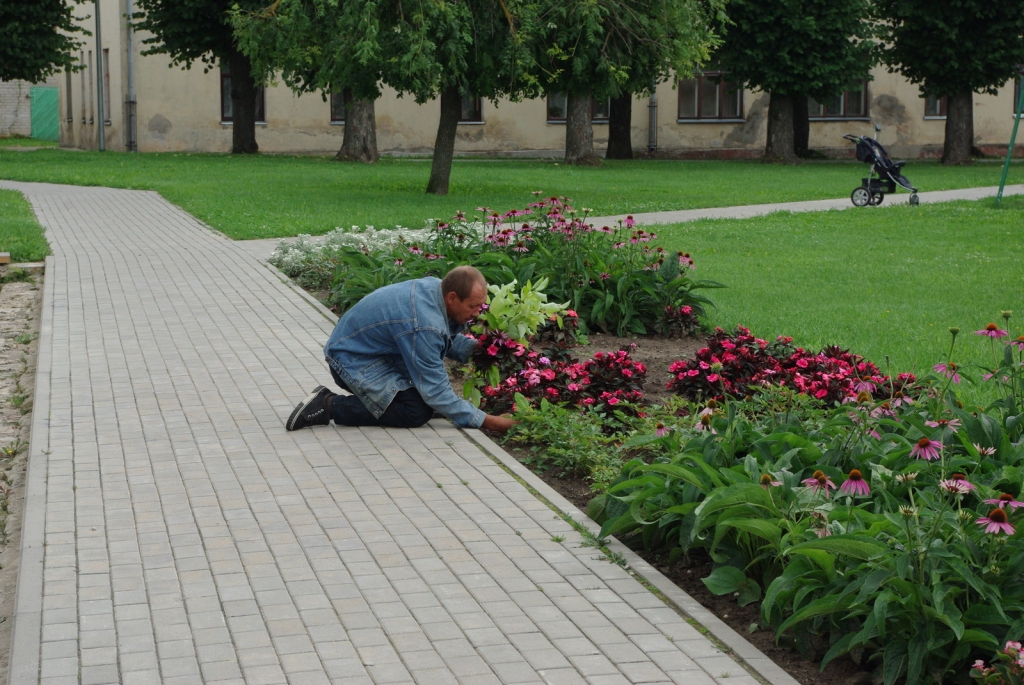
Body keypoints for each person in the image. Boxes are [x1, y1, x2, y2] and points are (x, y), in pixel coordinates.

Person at [286, 265, 515, 434]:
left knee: (425, 401)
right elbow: (435, 390)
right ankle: (327, 404)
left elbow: (442, 338)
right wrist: (490, 421)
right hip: (351, 361)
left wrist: (478, 349)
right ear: (453, 297)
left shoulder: (437, 290)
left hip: (374, 353)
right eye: (473, 306)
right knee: (415, 411)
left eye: (480, 306)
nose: (477, 313)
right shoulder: (425, 324)